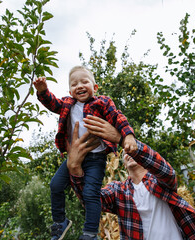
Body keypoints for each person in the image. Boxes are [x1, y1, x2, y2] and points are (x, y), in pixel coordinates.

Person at [67, 115, 195, 240]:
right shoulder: (119, 191)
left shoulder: (159, 181)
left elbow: (166, 172)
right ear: (122, 163)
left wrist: (122, 139)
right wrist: (75, 170)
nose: (128, 152)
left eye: (130, 149)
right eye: (125, 151)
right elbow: (91, 200)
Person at [34, 66, 137, 240]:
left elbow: (118, 117)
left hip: (95, 158)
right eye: (74, 84)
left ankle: (90, 233)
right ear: (70, 91)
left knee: (91, 193)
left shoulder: (102, 102)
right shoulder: (68, 104)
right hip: (74, 157)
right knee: (55, 185)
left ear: (95, 87)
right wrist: (43, 91)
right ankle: (60, 221)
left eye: (85, 82)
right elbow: (53, 104)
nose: (79, 86)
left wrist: (128, 136)